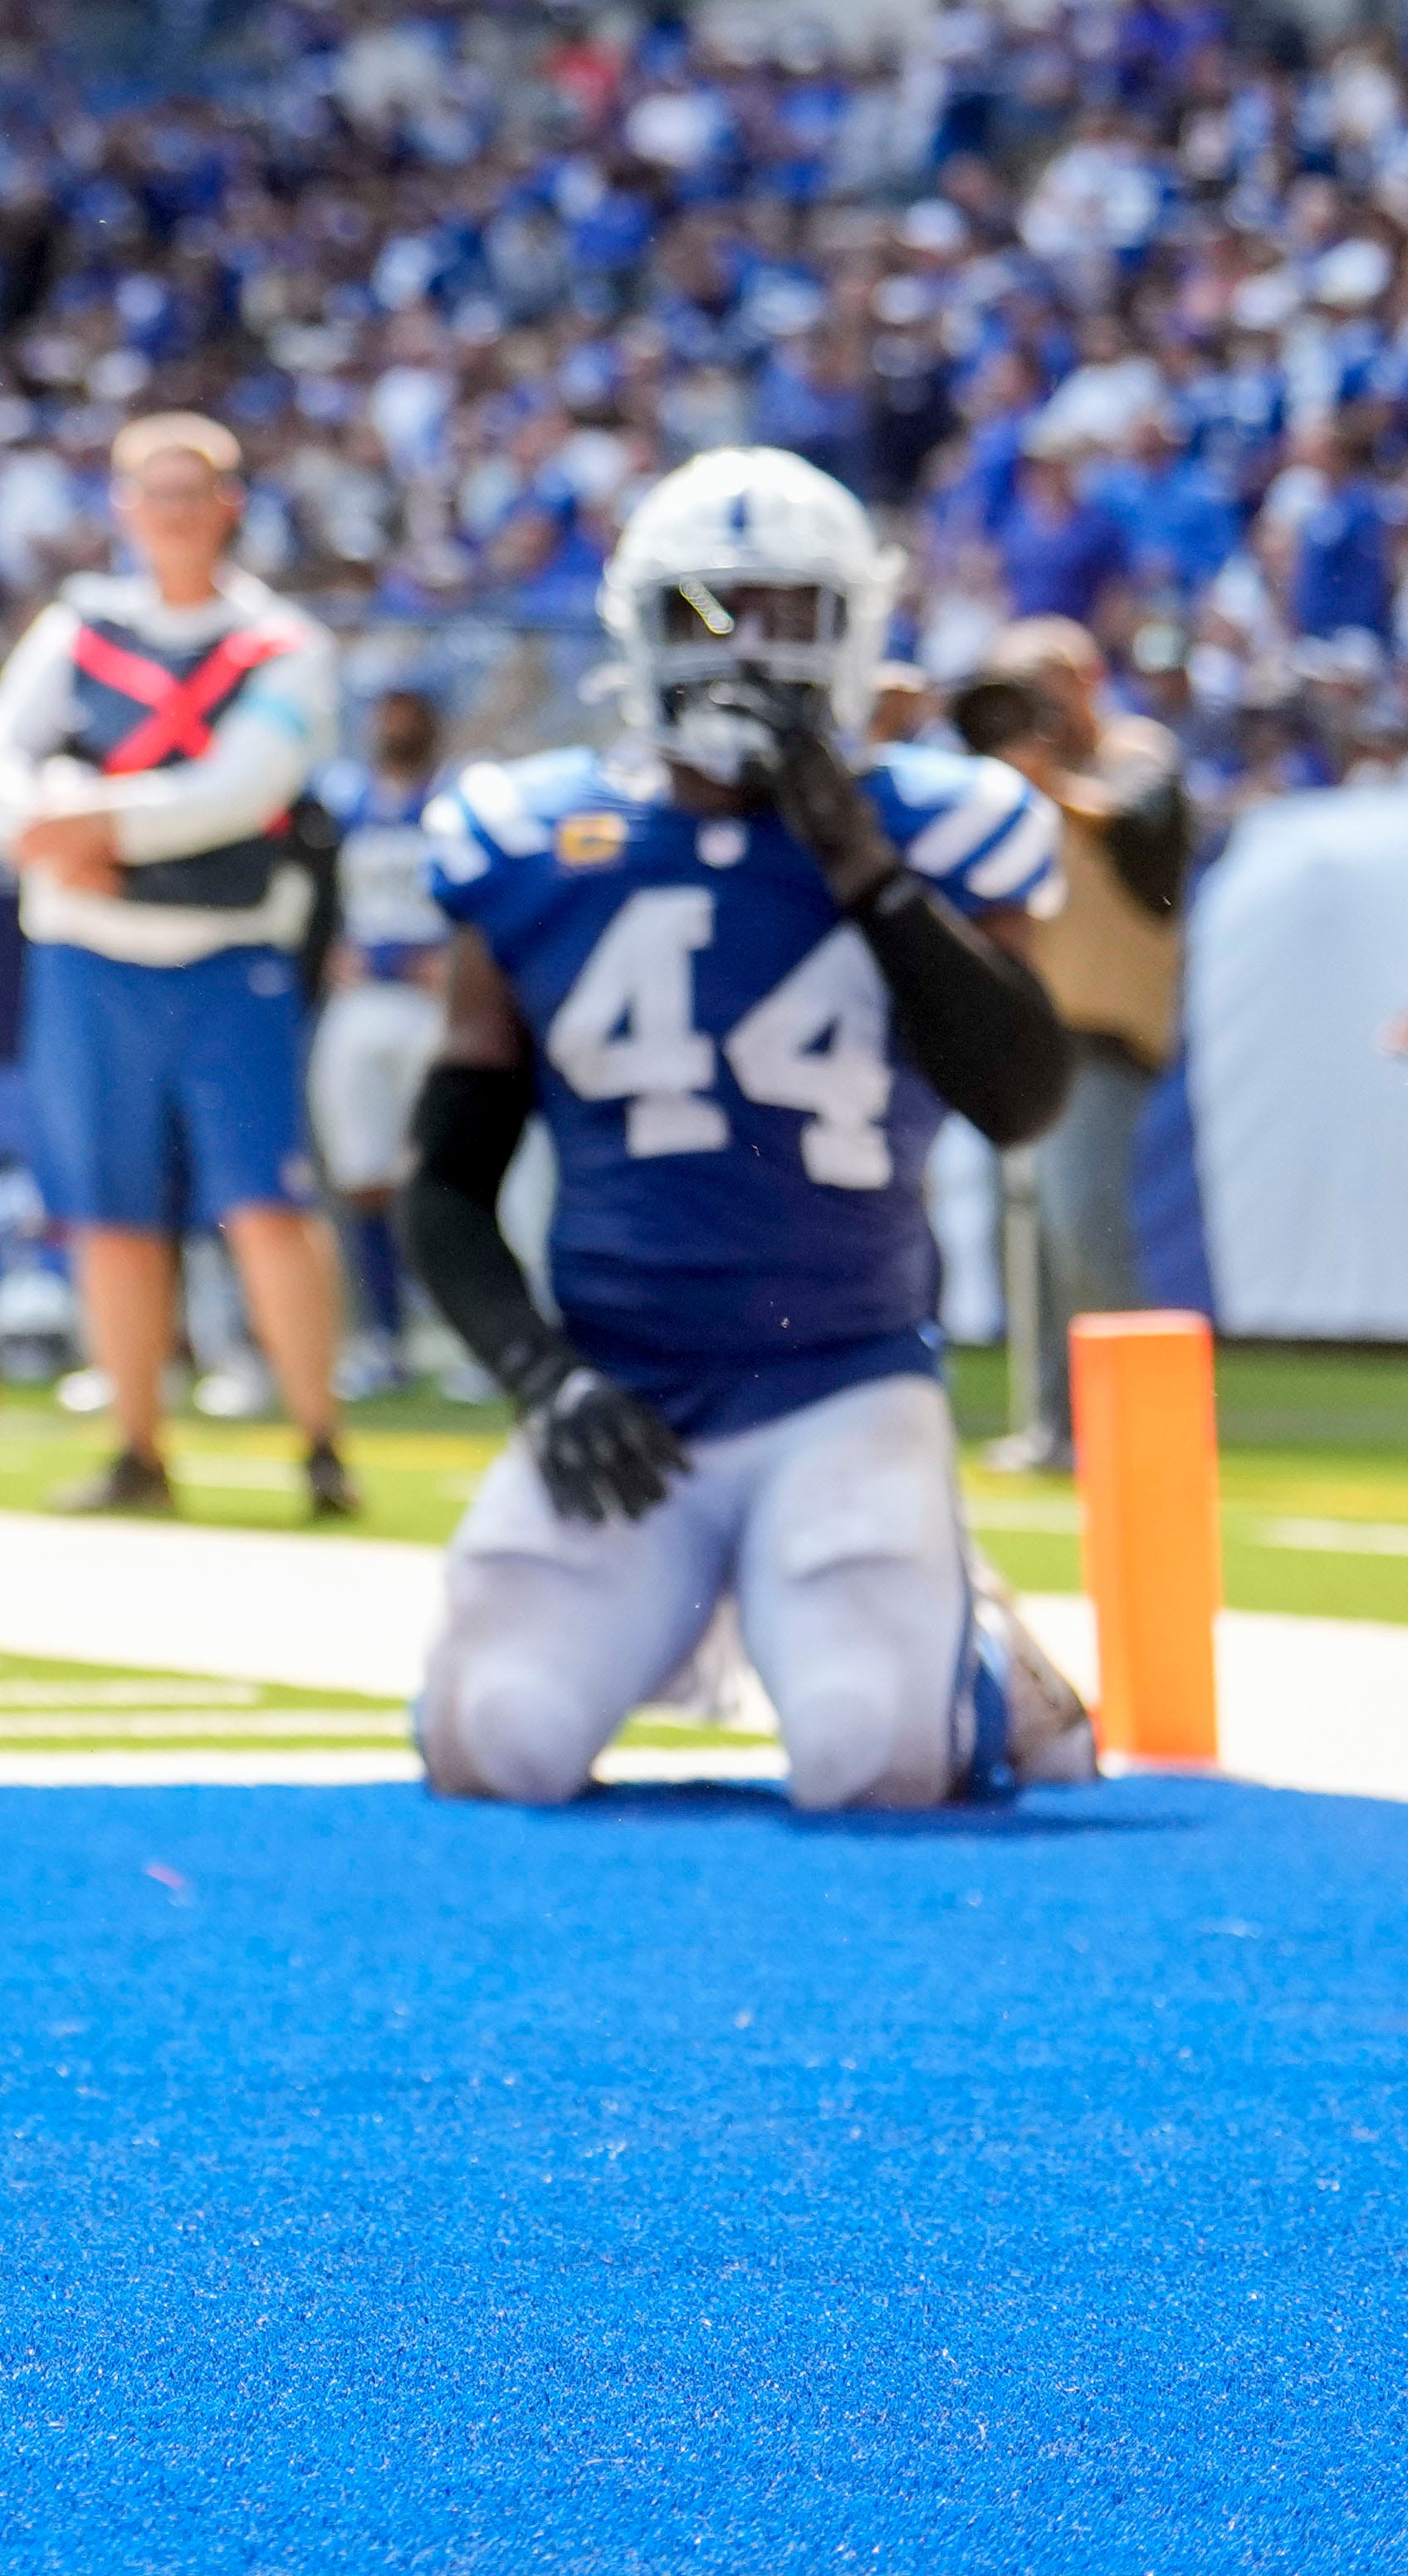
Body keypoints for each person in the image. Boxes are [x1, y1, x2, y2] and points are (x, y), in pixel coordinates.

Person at [405, 450, 1098, 1809]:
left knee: (874, 1757)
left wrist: (862, 867)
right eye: (707, 615)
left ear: (854, 633)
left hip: (843, 1383)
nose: (745, 652)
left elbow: (1023, 1100)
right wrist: (540, 1377)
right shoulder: (528, 836)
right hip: (622, 1392)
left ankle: (977, 1646)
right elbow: (443, 1178)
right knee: (491, 1740)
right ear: (638, 632)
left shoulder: (945, 826)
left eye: (784, 613)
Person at [0, 411, 354, 1523]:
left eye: (194, 492)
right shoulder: (79, 627)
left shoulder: (284, 644)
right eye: (150, 492)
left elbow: (243, 787)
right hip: (89, 958)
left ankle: (320, 1438)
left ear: (230, 505)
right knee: (109, 1215)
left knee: (267, 1202)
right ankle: (138, 1443)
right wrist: (43, 827)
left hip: (228, 960)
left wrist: (90, 827)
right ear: (121, 507)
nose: (173, 515)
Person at [951, 616, 1192, 1477]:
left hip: (1105, 1030)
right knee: (1035, 1244)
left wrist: (1041, 778)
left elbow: (1134, 826)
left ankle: (1146, 1427)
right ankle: (1058, 1428)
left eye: (1047, 680)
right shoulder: (1003, 788)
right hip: (1027, 1027)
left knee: (1084, 1225)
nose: (1037, 704)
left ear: (1087, 677)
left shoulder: (1135, 749)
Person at [308, 678, 461, 1393]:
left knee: (450, 1171)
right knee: (363, 1178)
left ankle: (466, 1343)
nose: (393, 724)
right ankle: (385, 1340)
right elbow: (310, 892)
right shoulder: (344, 804)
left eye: (407, 711)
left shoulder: (460, 803)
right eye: (384, 712)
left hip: (437, 1004)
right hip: (362, 998)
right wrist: (326, 949)